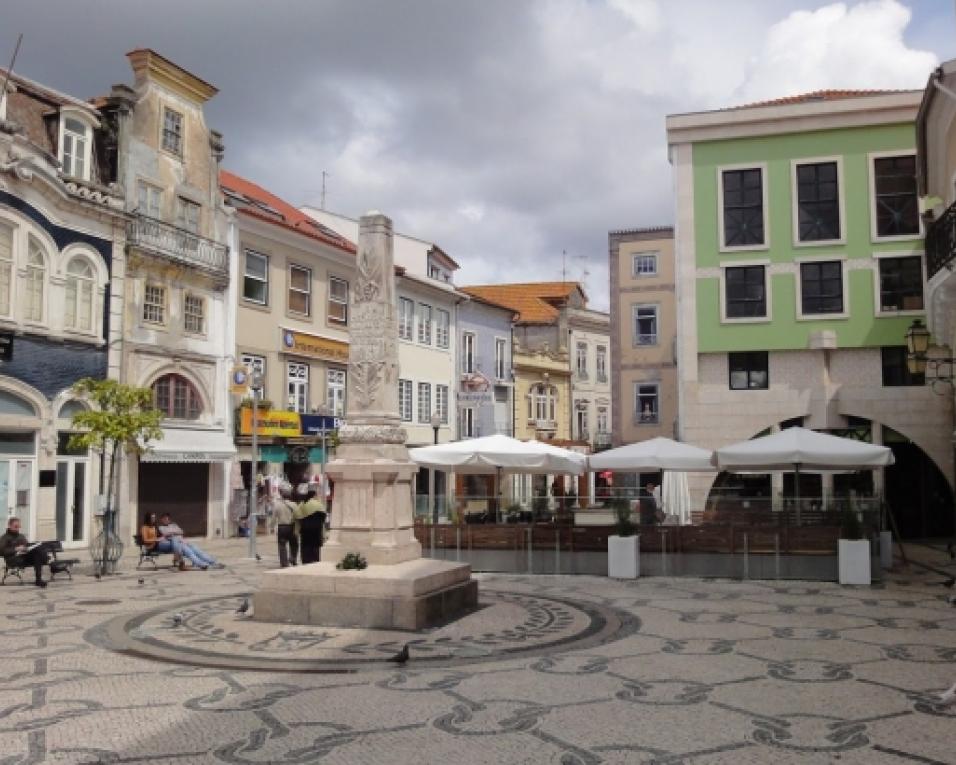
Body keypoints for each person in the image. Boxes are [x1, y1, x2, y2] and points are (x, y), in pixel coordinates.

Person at [157, 513, 223, 570]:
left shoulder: (174, 525)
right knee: (188, 551)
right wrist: (175, 532)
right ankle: (201, 564)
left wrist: (173, 532)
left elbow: (181, 531)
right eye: (164, 519)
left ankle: (213, 562)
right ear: (161, 520)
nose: (166, 520)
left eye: (167, 518)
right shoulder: (161, 527)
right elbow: (166, 534)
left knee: (196, 549)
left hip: (181, 541)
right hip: (176, 544)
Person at [0, 517, 50, 587]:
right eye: (15, 527)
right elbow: (1, 551)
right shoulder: (4, 537)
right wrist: (16, 549)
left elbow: (27, 546)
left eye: (19, 527)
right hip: (13, 559)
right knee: (38, 554)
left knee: (37, 551)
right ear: (9, 526)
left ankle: (38, 580)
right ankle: (47, 560)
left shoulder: (21, 536)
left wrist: (26, 548)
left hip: (24, 557)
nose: (17, 529)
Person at [294, 484, 326, 564]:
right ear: (314, 495)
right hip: (316, 532)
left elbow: (296, 516)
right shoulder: (318, 504)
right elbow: (323, 519)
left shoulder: (302, 504)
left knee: (305, 547)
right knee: (315, 548)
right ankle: (315, 561)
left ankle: (306, 561)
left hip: (305, 531)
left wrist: (297, 530)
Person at [271, 484, 299, 567]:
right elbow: (298, 516)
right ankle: (293, 558)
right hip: (292, 527)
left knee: (282, 545)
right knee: (294, 544)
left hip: (282, 527)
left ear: (281, 494)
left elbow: (273, 518)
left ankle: (284, 563)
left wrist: (272, 527)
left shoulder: (277, 505)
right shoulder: (294, 505)